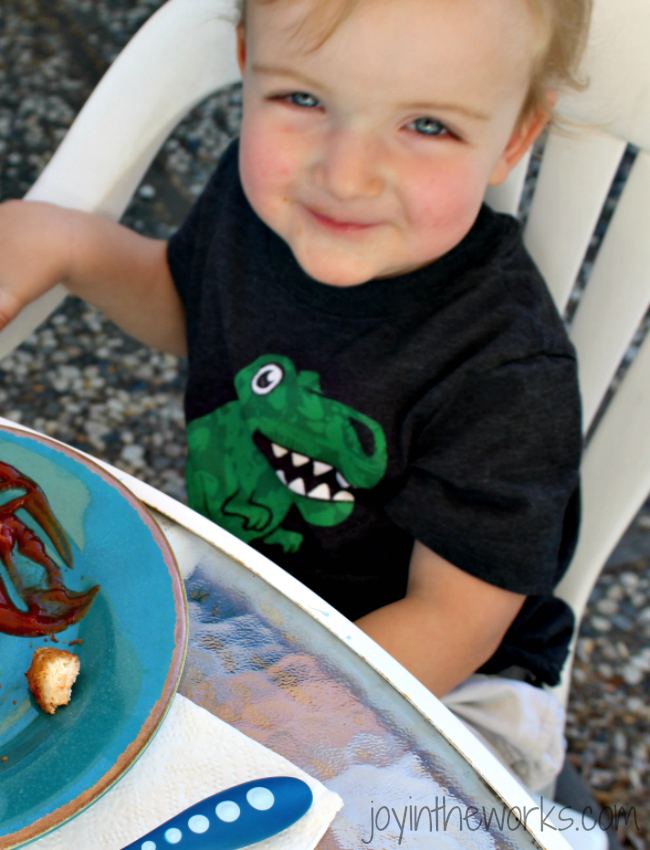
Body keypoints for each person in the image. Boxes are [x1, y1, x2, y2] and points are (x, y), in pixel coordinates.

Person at [0, 0, 591, 789]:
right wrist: (72, 245)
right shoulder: (259, 213)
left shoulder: (507, 371)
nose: (345, 173)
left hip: (447, 689)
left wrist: (263, 709)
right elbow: (188, 308)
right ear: (248, 61)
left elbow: (456, 619)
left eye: (427, 126)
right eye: (303, 100)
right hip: (245, 602)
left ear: (515, 136)